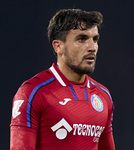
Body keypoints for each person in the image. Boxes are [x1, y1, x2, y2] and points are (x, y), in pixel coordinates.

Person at [10, 9, 115, 150]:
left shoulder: (103, 96)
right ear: (58, 46)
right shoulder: (33, 92)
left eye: (95, 39)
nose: (92, 47)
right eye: (81, 39)